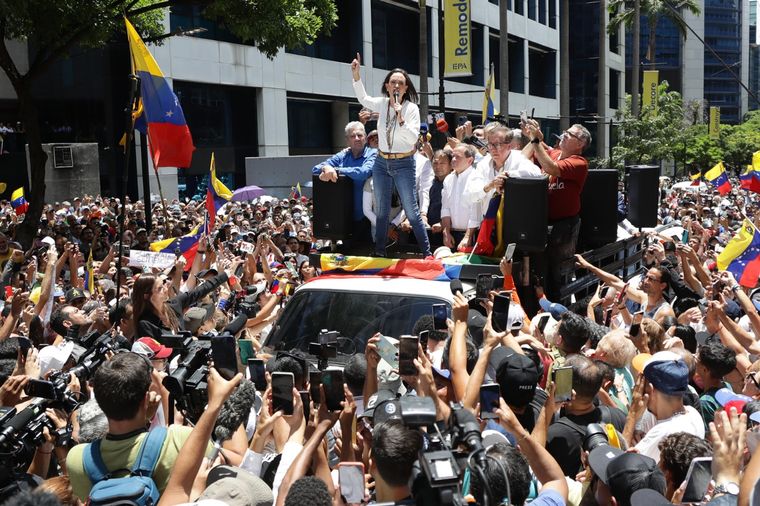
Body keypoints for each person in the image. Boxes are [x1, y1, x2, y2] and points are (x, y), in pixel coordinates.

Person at [66, 353, 213, 499]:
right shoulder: (181, 439)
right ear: (146, 398)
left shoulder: (78, 459)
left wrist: (146, 417)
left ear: (98, 399)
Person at [350, 53, 431, 257]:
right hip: (381, 161)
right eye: (392, 82)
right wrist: (356, 75)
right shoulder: (382, 103)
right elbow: (363, 98)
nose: (396, 86)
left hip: (403, 162)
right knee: (382, 210)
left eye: (400, 83)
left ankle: (427, 253)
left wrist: (399, 114)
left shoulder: (411, 108)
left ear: (405, 88)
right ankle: (379, 252)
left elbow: (412, 137)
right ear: (387, 86)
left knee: (412, 212)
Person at [523, 121, 591, 301]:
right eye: (565, 131)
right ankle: (544, 303)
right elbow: (538, 147)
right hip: (545, 223)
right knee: (542, 268)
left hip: (564, 225)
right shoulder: (555, 153)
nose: (564, 134)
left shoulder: (579, 162)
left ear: (580, 144)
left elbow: (550, 167)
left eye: (570, 134)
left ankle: (560, 307)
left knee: (558, 271)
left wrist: (536, 141)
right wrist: (532, 135)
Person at [311, 121, 377, 248]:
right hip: (343, 219)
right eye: (353, 136)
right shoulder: (342, 155)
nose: (357, 138)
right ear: (347, 140)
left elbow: (363, 172)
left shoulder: (372, 153)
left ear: (365, 137)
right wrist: (326, 168)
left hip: (367, 219)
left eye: (360, 135)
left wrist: (336, 170)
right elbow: (315, 169)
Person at [440, 144, 480, 252]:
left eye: (458, 157)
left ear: (470, 160)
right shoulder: (448, 179)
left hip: (473, 236)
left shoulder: (477, 178)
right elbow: (445, 208)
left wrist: (467, 237)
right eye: (453, 156)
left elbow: (475, 211)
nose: (453, 159)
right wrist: (446, 233)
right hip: (452, 234)